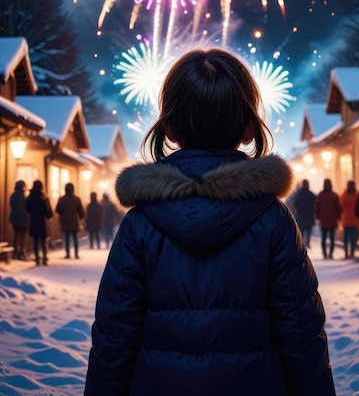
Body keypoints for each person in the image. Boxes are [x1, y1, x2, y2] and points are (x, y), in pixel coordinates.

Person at [84, 48, 336, 396]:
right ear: (249, 128)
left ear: (169, 129)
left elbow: (113, 339)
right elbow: (302, 334)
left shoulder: (139, 224)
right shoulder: (273, 219)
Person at [25, 179, 53, 266]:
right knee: (43, 241)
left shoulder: (30, 197)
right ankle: (44, 258)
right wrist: (48, 215)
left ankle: (37, 259)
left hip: (33, 220)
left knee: (35, 241)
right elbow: (48, 211)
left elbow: (27, 208)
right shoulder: (44, 198)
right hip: (42, 221)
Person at [55, 182, 85, 259]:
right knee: (75, 238)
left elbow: (57, 209)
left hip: (65, 221)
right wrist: (82, 217)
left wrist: (62, 214)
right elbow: (81, 211)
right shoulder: (76, 199)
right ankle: (76, 254)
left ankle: (68, 254)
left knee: (67, 238)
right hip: (74, 221)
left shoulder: (62, 199)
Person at [314, 178, 341, 259]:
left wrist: (318, 217)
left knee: (324, 238)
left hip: (324, 220)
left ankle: (325, 254)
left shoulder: (320, 195)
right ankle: (331, 254)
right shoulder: (335, 195)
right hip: (332, 220)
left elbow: (316, 208)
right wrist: (338, 217)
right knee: (332, 238)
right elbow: (338, 208)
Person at [9, 179, 30, 260]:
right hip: (24, 219)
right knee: (23, 238)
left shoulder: (13, 195)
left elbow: (11, 205)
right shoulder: (23, 197)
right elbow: (27, 207)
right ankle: (23, 253)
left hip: (15, 219)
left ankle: (15, 253)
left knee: (16, 236)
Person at [293, 178, 316, 248]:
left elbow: (295, 204)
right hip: (309, 214)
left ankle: (301, 243)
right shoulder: (312, 194)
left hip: (300, 215)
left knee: (301, 230)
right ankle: (308, 243)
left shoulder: (298, 194)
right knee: (309, 229)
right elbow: (315, 204)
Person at [339, 179, 359, 259]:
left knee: (346, 238)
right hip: (355, 219)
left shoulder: (343, 196)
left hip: (346, 219)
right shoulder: (357, 195)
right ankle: (352, 252)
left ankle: (346, 253)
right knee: (353, 237)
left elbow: (341, 207)